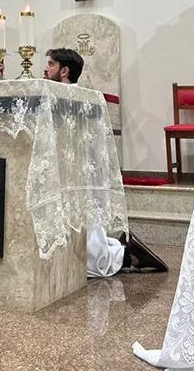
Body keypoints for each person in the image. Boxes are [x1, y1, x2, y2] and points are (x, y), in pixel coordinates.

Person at [43, 48, 168, 277]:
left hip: (77, 171)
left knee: (87, 229)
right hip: (62, 169)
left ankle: (125, 256)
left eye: (51, 64)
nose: (45, 69)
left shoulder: (78, 97)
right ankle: (118, 249)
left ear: (64, 71)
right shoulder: (55, 94)